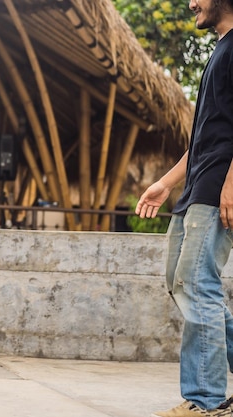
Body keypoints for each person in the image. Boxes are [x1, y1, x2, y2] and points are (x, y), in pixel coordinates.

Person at [136, 1, 233, 415]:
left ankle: (205, 402)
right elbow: (206, 137)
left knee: (197, 286)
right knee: (181, 283)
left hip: (219, 187)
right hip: (197, 185)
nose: (191, 2)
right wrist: (165, 183)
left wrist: (232, 184)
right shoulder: (221, 49)